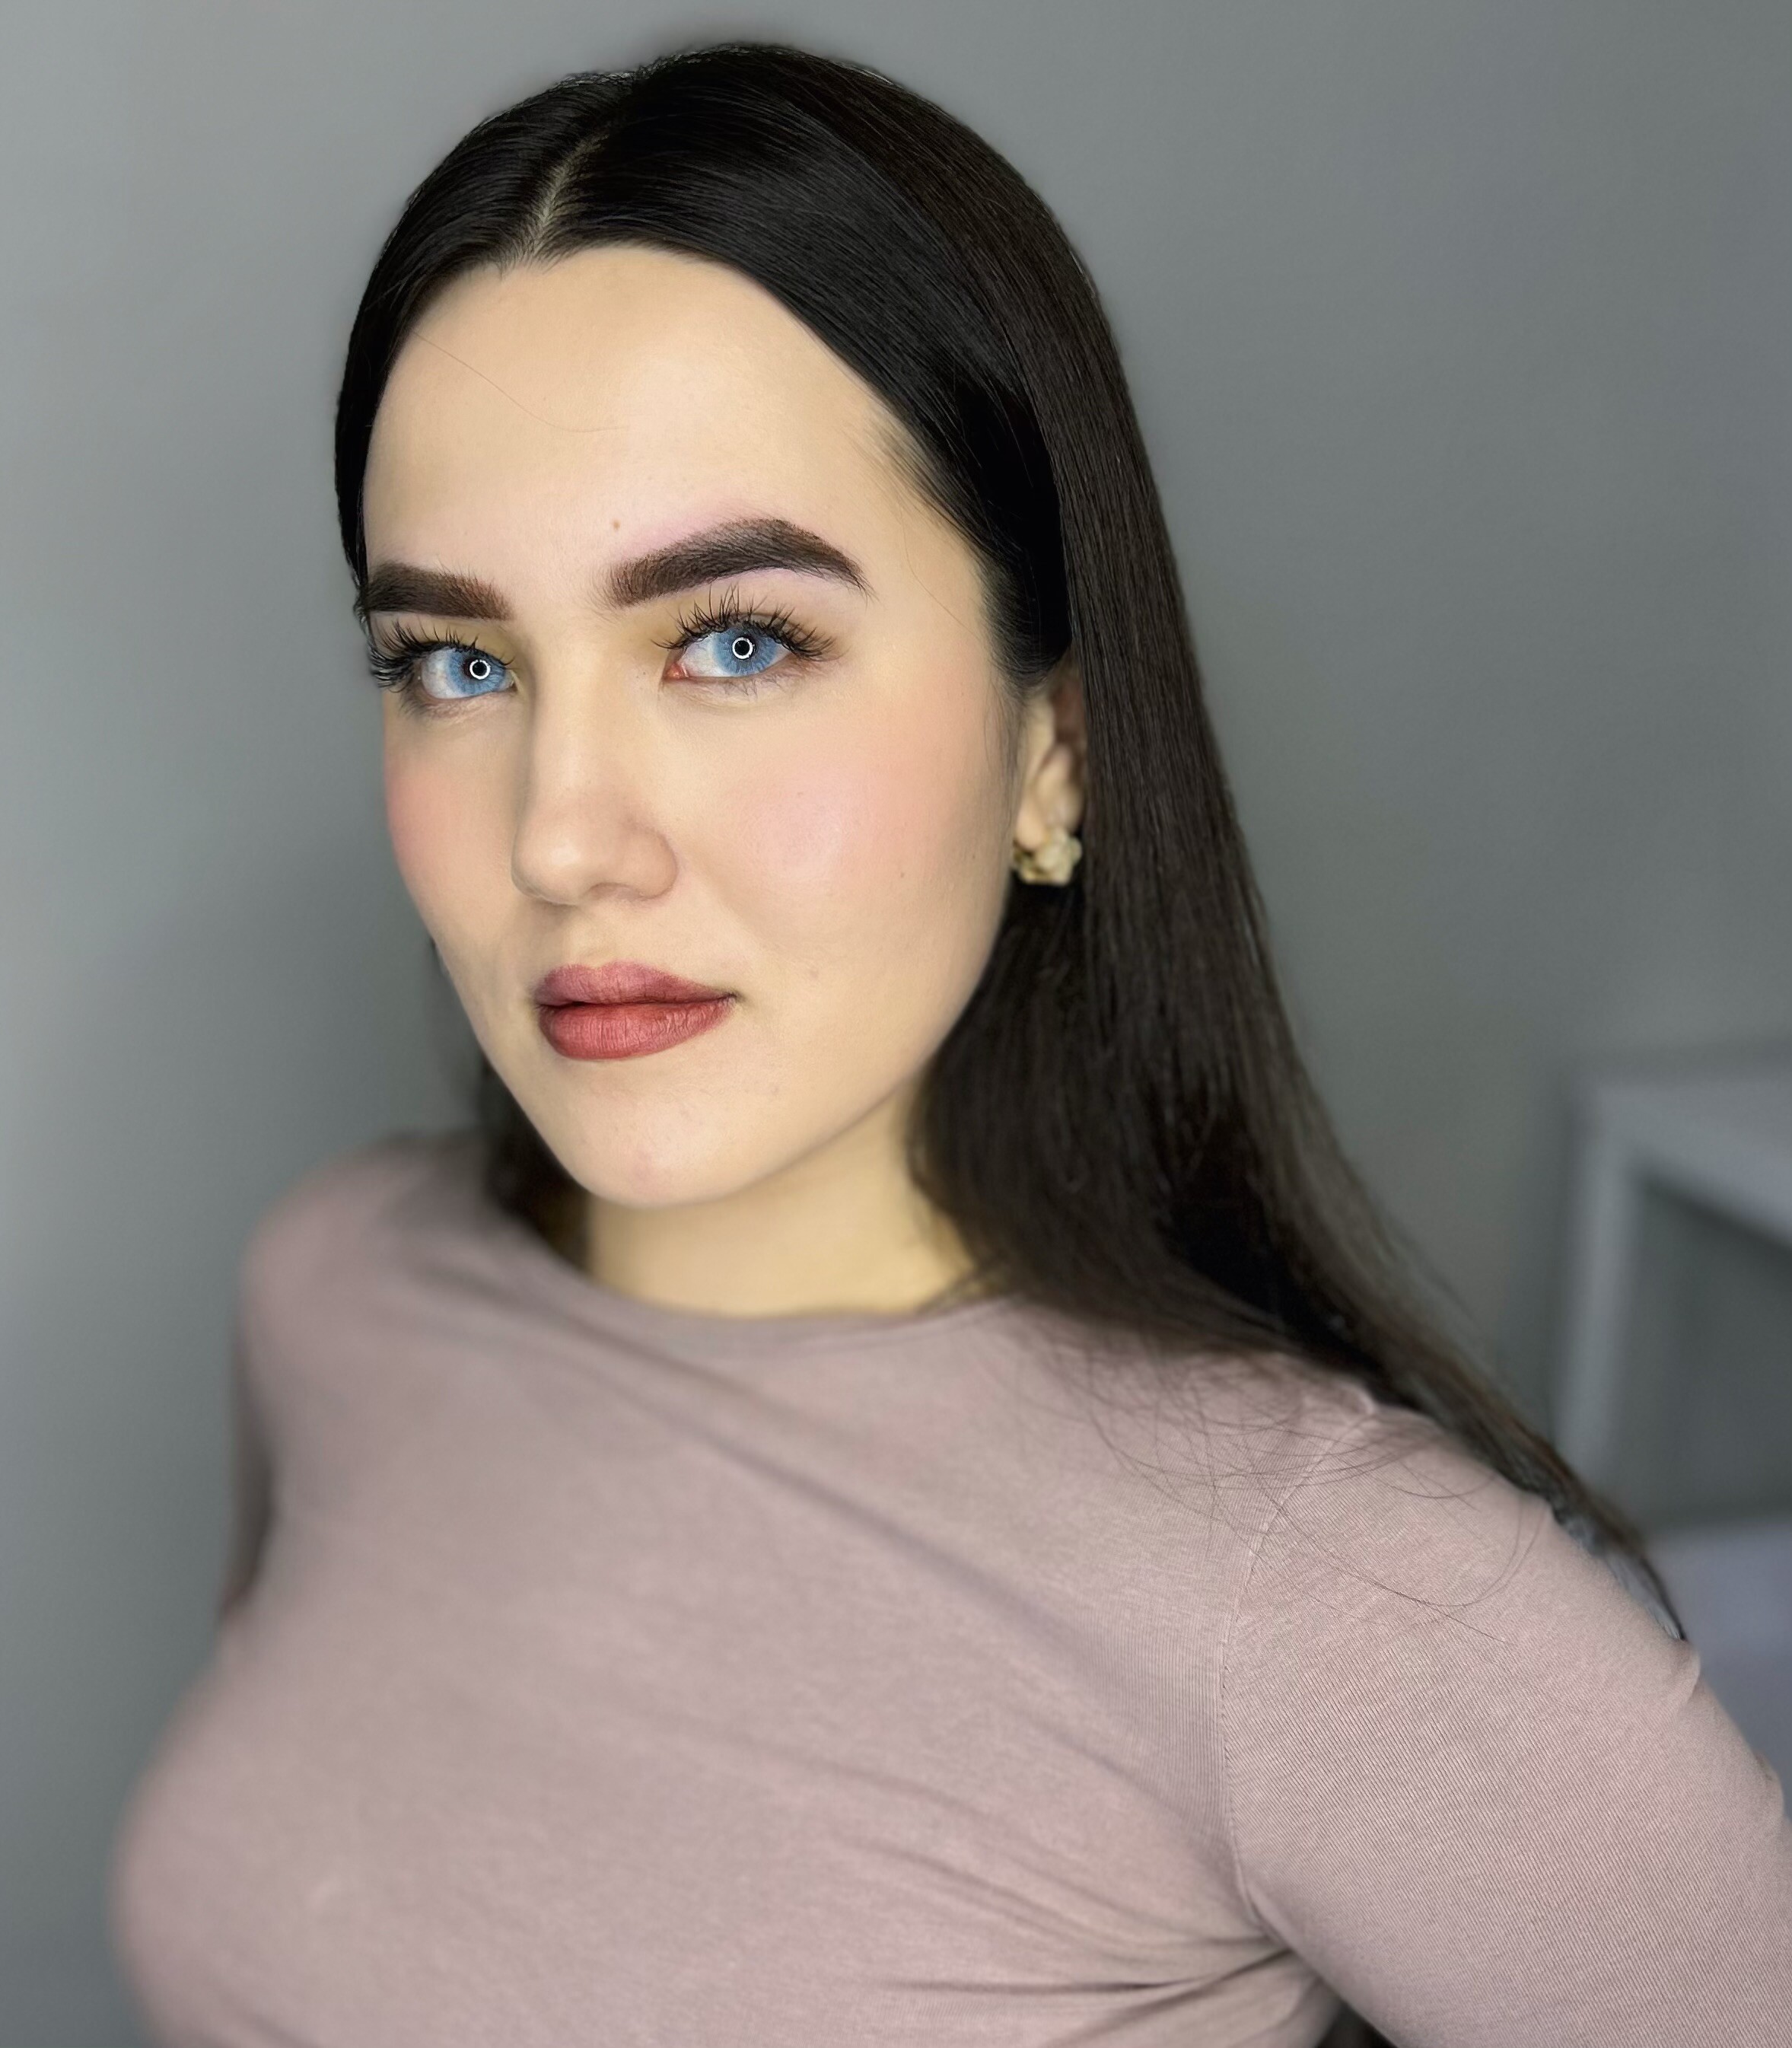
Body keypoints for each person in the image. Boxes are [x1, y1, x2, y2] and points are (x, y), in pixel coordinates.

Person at [107, 40, 1792, 2046]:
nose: (560, 836)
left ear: (1053, 750)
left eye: (736, 641)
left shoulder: (1344, 1607)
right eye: (455, 662)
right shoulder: (336, 1287)